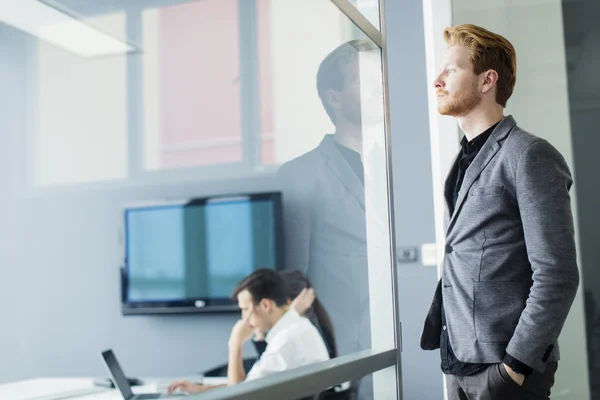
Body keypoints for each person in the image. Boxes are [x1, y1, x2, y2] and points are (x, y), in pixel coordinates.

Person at [420, 24, 580, 400]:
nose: (437, 80)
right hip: (458, 360)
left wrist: (515, 367)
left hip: (502, 371)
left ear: (487, 80)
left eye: (451, 70)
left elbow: (557, 274)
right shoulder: (463, 159)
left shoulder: (528, 155)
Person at [278, 39, 385, 400]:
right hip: (343, 362)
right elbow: (294, 283)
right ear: (334, 98)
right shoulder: (299, 176)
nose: (378, 89)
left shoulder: (403, 168)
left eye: (379, 79)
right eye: (363, 81)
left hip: (408, 350)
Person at [168, 269, 330, 394]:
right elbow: (248, 386)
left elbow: (238, 395)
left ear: (266, 305)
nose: (243, 319)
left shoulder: (283, 344)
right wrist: (201, 390)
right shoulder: (298, 328)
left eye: (245, 310)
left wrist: (235, 344)